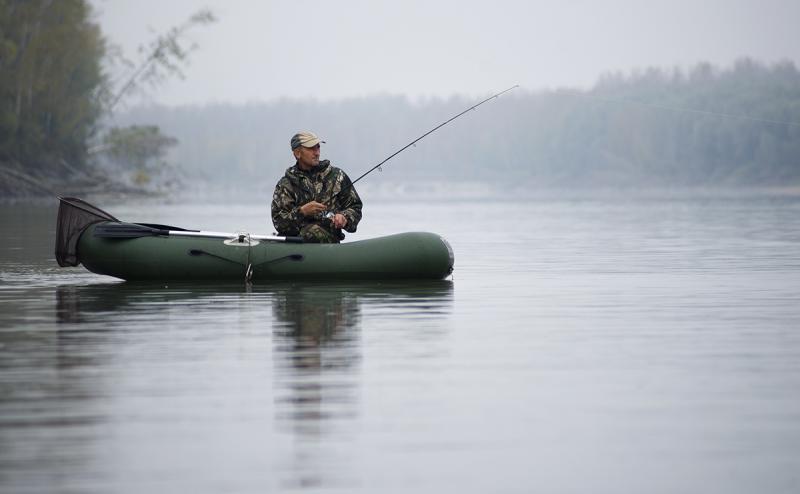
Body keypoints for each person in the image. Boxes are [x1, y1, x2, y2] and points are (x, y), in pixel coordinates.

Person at [271, 131, 363, 243]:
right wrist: (302, 212)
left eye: (318, 147)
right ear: (297, 153)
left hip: (331, 249)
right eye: (311, 148)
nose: (317, 153)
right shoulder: (286, 184)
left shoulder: (337, 176)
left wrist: (344, 217)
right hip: (297, 250)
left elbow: (355, 207)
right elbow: (279, 223)